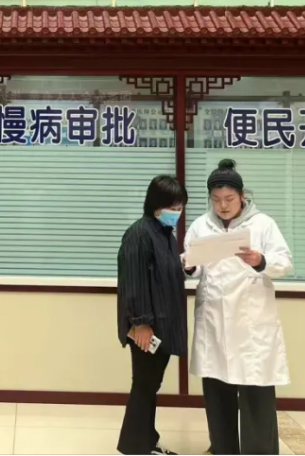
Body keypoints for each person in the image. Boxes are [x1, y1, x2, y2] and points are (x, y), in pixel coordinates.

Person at [184, 159, 293, 455]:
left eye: (229, 199)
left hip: (250, 323)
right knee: (217, 393)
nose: (222, 205)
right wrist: (189, 265)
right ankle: (223, 449)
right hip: (215, 321)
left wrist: (261, 261)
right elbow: (193, 263)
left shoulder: (263, 224)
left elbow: (284, 262)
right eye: (216, 199)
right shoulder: (200, 225)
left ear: (242, 196)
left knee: (256, 393)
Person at [117, 175, 189, 455]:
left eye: (180, 207)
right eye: (173, 207)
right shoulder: (140, 234)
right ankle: (136, 447)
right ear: (156, 205)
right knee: (144, 385)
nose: (177, 213)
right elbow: (133, 282)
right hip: (147, 327)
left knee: (150, 385)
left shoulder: (164, 234)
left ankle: (146, 441)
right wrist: (141, 323)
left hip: (163, 324)